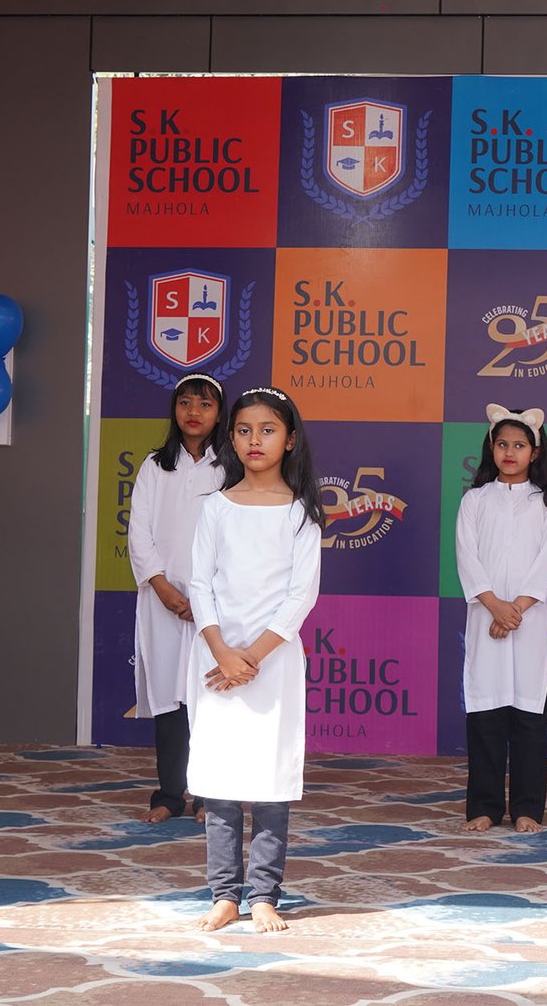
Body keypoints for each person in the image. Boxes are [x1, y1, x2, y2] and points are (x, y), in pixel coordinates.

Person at [184, 387, 323, 933]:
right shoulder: (215, 508)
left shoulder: (301, 513)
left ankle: (264, 893)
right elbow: (200, 583)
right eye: (243, 430)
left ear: (289, 440)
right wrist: (222, 651)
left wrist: (254, 657)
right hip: (216, 660)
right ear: (231, 438)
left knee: (269, 778)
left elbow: (300, 595)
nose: (254, 440)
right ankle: (224, 893)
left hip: (274, 662)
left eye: (267, 430)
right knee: (219, 777)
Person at [455, 404, 547, 834]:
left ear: (534, 453)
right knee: (485, 714)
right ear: (491, 448)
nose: (509, 452)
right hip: (486, 620)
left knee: (528, 717)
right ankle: (483, 806)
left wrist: (514, 609)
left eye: (519, 445)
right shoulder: (475, 500)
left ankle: (527, 808)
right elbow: (467, 557)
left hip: (529, 623)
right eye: (502, 444)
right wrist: (494, 605)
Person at [128, 373, 228, 824]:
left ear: (220, 415)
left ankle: (208, 796)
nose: (194, 412)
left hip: (215, 604)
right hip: (162, 601)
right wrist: (163, 587)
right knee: (169, 698)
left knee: (209, 699)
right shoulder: (155, 465)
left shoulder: (231, 467)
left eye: (205, 405)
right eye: (185, 403)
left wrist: (205, 596)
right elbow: (139, 533)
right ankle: (169, 795)